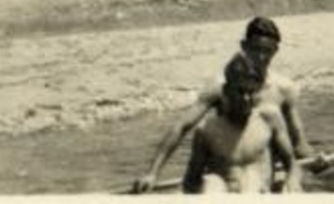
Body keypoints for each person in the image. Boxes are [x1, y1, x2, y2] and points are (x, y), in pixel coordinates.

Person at [133, 17, 315, 194]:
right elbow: (182, 127)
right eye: (255, 49)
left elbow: (299, 145)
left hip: (271, 173)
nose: (261, 57)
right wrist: (152, 173)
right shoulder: (220, 86)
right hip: (229, 174)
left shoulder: (284, 89)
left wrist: (315, 162)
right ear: (244, 46)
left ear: (275, 50)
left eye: (267, 50)